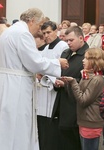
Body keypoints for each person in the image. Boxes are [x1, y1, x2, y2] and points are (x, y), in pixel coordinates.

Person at [0, 8, 69, 150]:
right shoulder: (23, 34)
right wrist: (57, 63)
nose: (41, 30)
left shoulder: (9, 32)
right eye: (40, 24)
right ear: (31, 21)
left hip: (5, 83)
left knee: (4, 122)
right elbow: (34, 62)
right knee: (17, 123)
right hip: (16, 85)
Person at [61, 48, 104, 150]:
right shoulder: (87, 76)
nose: (83, 60)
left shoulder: (97, 80)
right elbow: (77, 96)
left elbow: (83, 101)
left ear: (94, 61)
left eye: (86, 58)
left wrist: (73, 82)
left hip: (91, 123)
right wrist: (68, 84)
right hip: (84, 121)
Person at [52, 26, 89, 150]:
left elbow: (89, 82)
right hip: (62, 102)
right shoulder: (66, 53)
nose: (68, 43)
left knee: (74, 142)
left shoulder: (88, 55)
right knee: (62, 139)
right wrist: (56, 81)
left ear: (80, 38)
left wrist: (67, 84)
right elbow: (59, 72)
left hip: (76, 106)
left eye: (71, 40)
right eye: (67, 40)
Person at [36, 21, 69, 150]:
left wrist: (45, 75)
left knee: (52, 125)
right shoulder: (44, 48)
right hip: (42, 91)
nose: (46, 35)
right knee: (43, 125)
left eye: (49, 32)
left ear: (56, 31)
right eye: (44, 33)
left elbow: (64, 68)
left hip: (55, 90)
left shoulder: (63, 47)